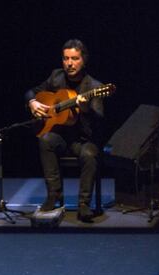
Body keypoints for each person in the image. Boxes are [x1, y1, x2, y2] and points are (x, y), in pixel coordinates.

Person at [24, 39, 104, 222]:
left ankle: (84, 204)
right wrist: (32, 102)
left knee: (90, 155)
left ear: (83, 60)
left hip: (83, 139)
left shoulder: (94, 87)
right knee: (45, 139)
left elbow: (99, 119)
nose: (70, 63)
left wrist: (85, 109)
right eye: (66, 58)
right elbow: (32, 92)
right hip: (60, 135)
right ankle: (54, 195)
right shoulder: (56, 77)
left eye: (75, 58)